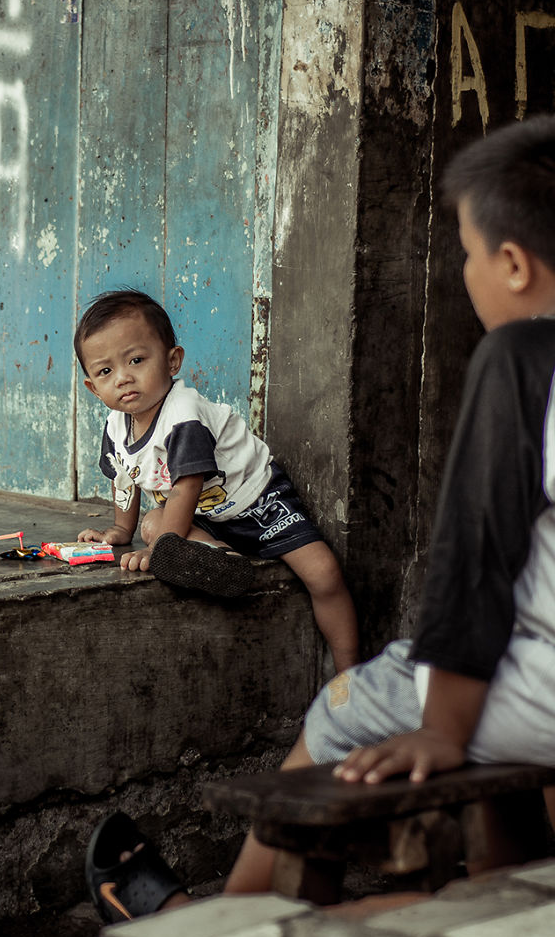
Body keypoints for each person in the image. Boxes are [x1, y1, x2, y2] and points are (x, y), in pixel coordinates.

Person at [85, 115, 555, 924]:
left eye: (468, 253)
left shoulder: (521, 360)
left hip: (543, 690)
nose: (468, 271)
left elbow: (475, 557)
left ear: (511, 265)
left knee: (342, 709)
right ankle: (504, 902)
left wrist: (443, 726)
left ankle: (215, 935)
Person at [74, 288, 359, 675]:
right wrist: (122, 530)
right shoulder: (115, 425)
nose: (123, 378)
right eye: (106, 371)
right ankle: (219, 556)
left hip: (257, 504)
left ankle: (348, 674)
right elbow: (125, 476)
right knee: (152, 524)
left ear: (172, 360)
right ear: (93, 386)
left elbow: (186, 486)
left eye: (137, 360)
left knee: (324, 573)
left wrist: (164, 549)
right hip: (207, 517)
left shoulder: (184, 415)